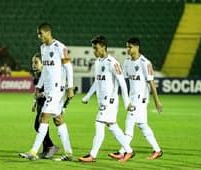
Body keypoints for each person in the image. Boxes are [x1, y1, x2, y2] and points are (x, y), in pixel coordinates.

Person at [19, 23, 74, 161]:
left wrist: (70, 87)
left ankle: (33, 151)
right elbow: (45, 71)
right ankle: (68, 153)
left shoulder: (61, 48)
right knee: (58, 120)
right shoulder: (43, 48)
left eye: (40, 34)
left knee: (43, 117)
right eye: (38, 34)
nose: (39, 37)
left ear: (48, 32)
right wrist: (38, 86)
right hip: (49, 89)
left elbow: (69, 68)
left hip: (57, 90)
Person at [78, 35, 134, 163]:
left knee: (99, 123)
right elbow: (97, 82)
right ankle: (129, 151)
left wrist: (127, 102)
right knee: (112, 126)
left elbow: (122, 83)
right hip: (102, 100)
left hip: (110, 101)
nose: (94, 51)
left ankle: (93, 155)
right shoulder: (98, 62)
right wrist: (87, 96)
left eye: (96, 48)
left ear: (103, 47)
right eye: (93, 48)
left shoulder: (112, 63)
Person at [108, 37, 163, 160]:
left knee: (129, 125)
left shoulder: (145, 63)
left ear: (137, 47)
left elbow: (151, 83)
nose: (127, 49)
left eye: (130, 47)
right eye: (127, 46)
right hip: (133, 98)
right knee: (143, 125)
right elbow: (124, 80)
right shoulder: (127, 62)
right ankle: (157, 150)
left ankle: (123, 151)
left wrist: (156, 101)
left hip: (140, 100)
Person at [20, 53, 59, 159]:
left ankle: (51, 146)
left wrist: (40, 95)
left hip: (48, 102)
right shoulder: (37, 75)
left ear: (43, 64)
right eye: (32, 62)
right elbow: (37, 90)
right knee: (41, 126)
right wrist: (34, 102)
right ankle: (46, 150)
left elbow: (50, 90)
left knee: (39, 125)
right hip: (41, 103)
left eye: (36, 62)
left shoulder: (46, 75)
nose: (33, 65)